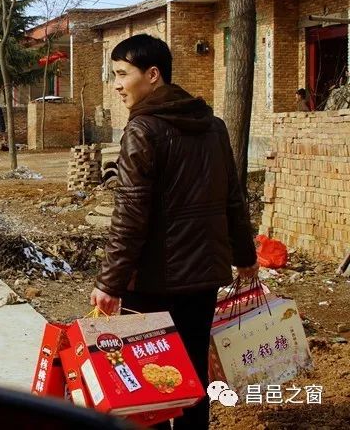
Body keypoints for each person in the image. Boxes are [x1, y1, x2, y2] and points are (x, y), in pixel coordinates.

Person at [89, 34, 257, 430]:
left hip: (152, 281)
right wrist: (245, 256)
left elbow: (130, 214)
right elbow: (234, 197)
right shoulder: (213, 126)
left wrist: (110, 283)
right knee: (193, 377)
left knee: (148, 381)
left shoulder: (142, 130)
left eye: (121, 74)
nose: (116, 84)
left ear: (152, 75)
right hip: (202, 277)